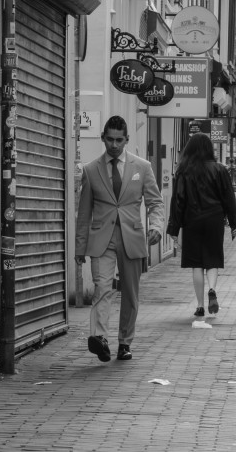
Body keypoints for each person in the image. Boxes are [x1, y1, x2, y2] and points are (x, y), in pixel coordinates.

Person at [75, 115, 165, 362]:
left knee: (130, 293)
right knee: (102, 288)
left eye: (119, 140)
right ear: (103, 138)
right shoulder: (91, 170)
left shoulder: (142, 167)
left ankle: (125, 342)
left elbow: (155, 202)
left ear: (126, 140)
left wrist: (156, 225)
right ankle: (100, 338)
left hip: (131, 237)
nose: (114, 145)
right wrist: (79, 246)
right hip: (101, 240)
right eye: (110, 140)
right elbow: (84, 212)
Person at [167, 133, 236, 318]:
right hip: (215, 220)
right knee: (212, 259)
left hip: (191, 221)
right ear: (210, 149)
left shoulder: (184, 170)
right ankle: (212, 289)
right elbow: (228, 197)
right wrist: (234, 222)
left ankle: (200, 305)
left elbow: (178, 200)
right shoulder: (220, 170)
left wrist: (174, 228)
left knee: (196, 264)